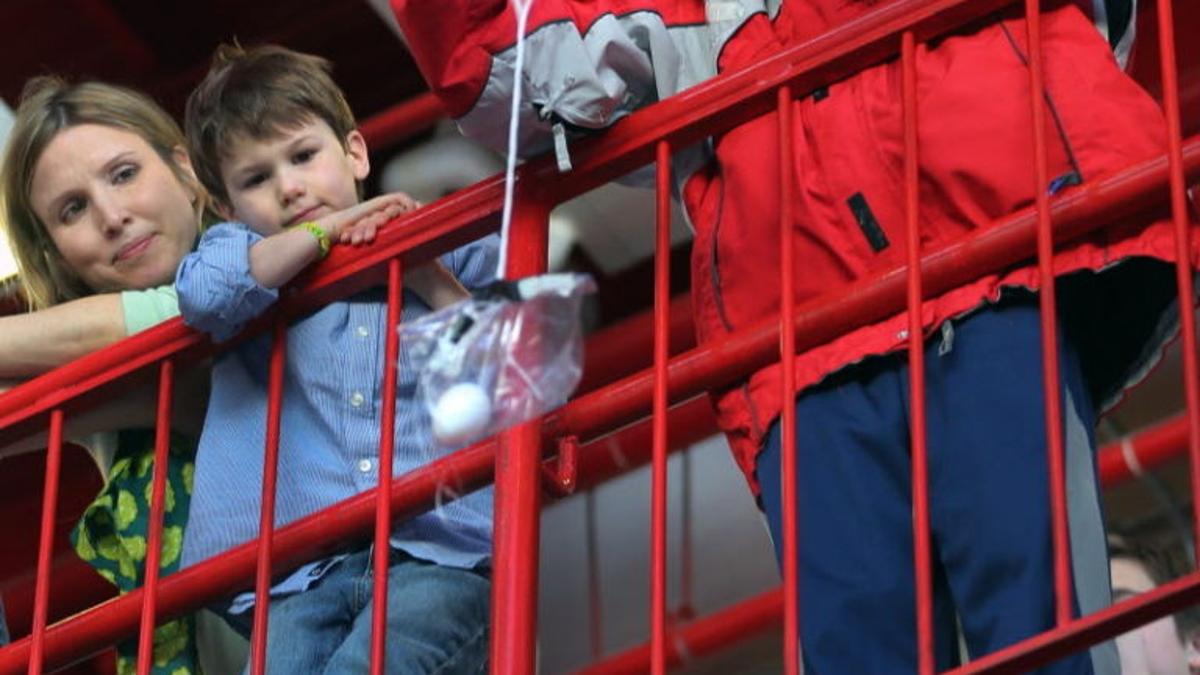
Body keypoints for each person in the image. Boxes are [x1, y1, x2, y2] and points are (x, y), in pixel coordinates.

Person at [392, 0, 1195, 672]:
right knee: (866, 645)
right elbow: (504, 69)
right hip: (800, 335)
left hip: (988, 258)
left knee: (1042, 619)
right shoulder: (683, 8)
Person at [175, 44, 495, 674]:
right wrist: (324, 235)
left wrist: (424, 276)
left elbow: (517, 379)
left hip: (444, 554)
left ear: (354, 152)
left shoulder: (451, 240)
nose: (288, 187)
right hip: (301, 575)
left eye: (302, 156)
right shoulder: (240, 259)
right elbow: (203, 295)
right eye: (256, 179)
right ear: (225, 206)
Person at [0, 77, 213, 673]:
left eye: (123, 174)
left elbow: (178, 317)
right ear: (52, 255)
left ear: (187, 171)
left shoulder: (260, 260)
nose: (113, 217)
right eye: (73, 210)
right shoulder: (91, 360)